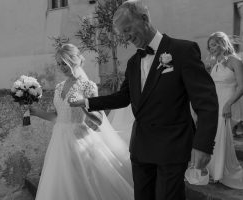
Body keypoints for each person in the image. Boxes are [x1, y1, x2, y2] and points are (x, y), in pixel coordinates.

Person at [70, 1, 219, 199]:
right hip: (141, 147)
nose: (126, 37)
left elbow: (206, 102)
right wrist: (88, 102)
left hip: (172, 147)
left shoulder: (183, 51)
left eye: (128, 29)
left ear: (144, 19)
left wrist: (203, 145)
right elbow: (124, 97)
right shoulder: (133, 63)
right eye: (122, 33)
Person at [31, 43, 134, 200]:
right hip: (59, 142)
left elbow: (99, 120)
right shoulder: (59, 87)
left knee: (83, 185)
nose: (61, 67)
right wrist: (36, 113)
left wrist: (83, 107)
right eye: (59, 63)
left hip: (80, 142)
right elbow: (59, 117)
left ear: (75, 60)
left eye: (64, 63)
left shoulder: (88, 85)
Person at [206, 31, 243, 189]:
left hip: (227, 104)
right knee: (215, 137)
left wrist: (228, 104)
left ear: (222, 43)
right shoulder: (215, 64)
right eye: (210, 46)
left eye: (214, 44)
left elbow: (242, 87)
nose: (211, 48)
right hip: (215, 106)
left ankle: (220, 173)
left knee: (220, 136)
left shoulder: (235, 61)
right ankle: (214, 171)